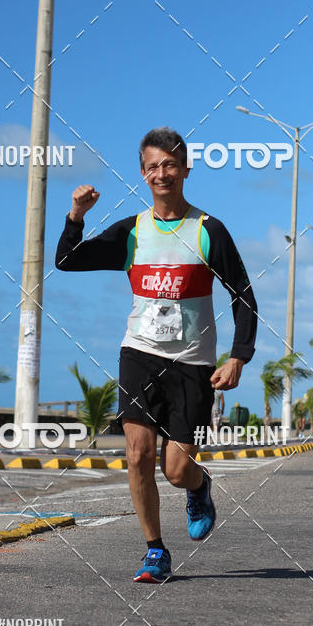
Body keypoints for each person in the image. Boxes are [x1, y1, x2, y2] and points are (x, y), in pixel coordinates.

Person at [55, 127, 257, 583]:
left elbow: (242, 295)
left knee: (176, 468)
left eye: (170, 164)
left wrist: (238, 356)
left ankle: (199, 486)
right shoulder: (133, 231)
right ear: (142, 174)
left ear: (185, 170)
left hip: (192, 364)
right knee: (138, 454)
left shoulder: (208, 231)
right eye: (152, 166)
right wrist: (76, 215)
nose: (161, 173)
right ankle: (154, 551)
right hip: (140, 355)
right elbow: (67, 261)